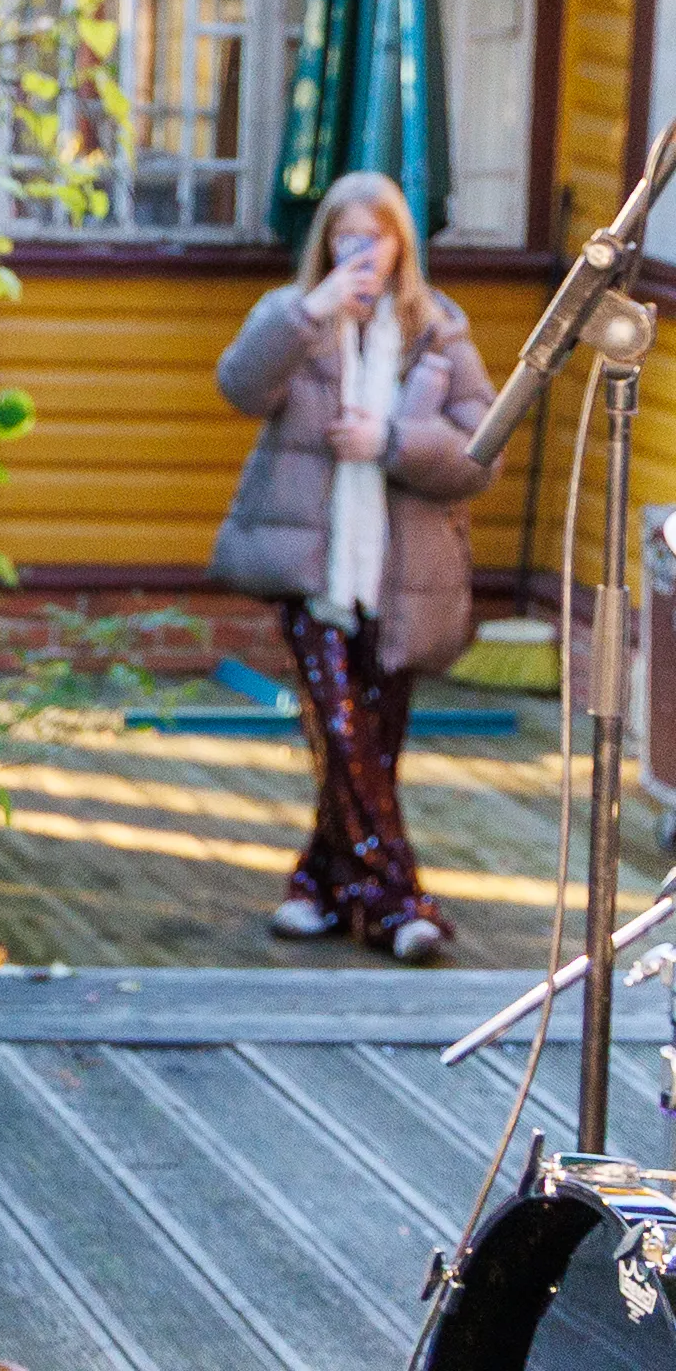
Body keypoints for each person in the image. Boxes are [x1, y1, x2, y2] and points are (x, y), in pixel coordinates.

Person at [212, 169, 493, 965]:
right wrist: (313, 312)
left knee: (373, 748)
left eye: (375, 237)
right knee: (342, 735)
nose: (360, 252)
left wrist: (394, 444)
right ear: (326, 242)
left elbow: (481, 453)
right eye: (345, 236)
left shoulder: (437, 330)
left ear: (402, 242)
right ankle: (403, 904)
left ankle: (319, 885)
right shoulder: (293, 317)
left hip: (400, 583)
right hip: (314, 574)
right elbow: (238, 385)